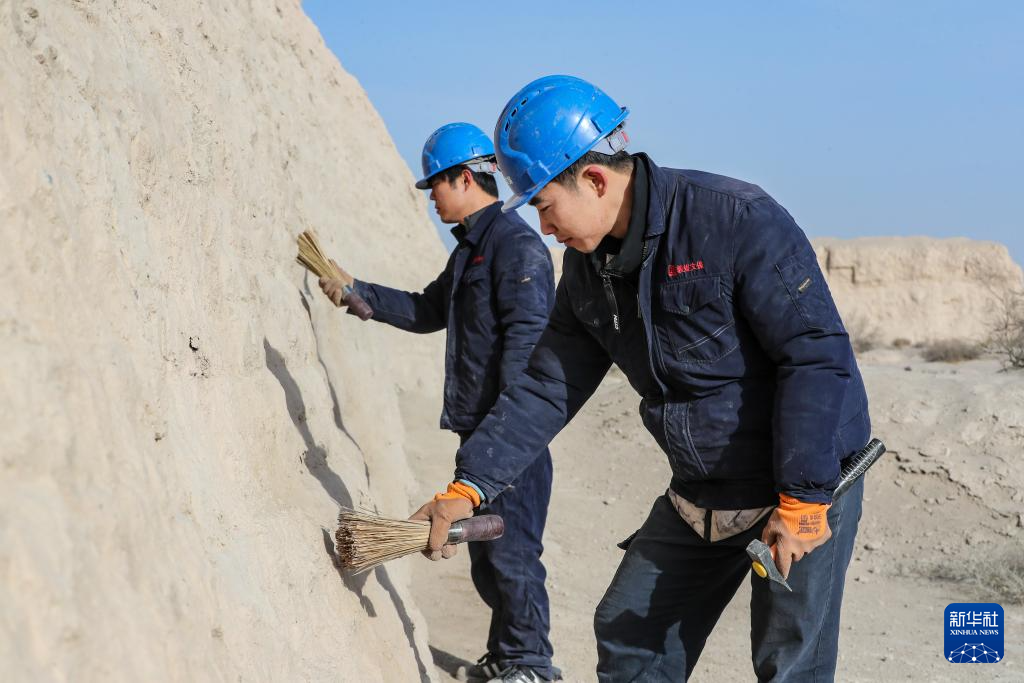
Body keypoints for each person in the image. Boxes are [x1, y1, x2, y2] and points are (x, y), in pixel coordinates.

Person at [412, 76, 871, 682]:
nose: (544, 228)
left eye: (545, 205)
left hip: (800, 477)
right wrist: (469, 486)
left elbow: (813, 354)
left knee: (789, 661)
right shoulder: (587, 271)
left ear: (595, 180)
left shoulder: (734, 220)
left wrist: (804, 497)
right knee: (631, 637)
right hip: (705, 486)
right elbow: (547, 384)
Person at [318, 122, 559, 683]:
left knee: (513, 556)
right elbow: (428, 309)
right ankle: (507, 658)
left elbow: (527, 359)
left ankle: (532, 667)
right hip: (482, 435)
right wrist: (358, 292)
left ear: (465, 177)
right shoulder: (472, 252)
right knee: (489, 560)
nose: (432, 199)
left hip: (509, 439)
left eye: (436, 187)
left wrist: (503, 437)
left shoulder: (516, 248)